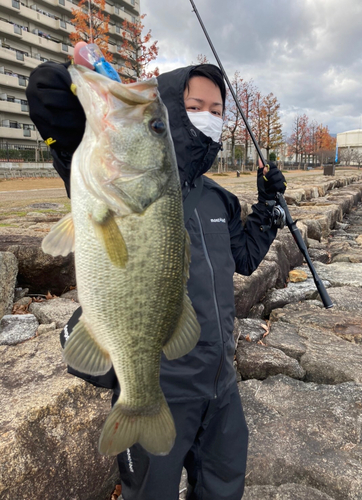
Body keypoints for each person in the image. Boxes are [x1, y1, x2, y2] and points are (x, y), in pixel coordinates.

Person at [26, 59, 286, 500]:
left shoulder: (217, 198)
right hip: (162, 386)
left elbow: (243, 258)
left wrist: (267, 209)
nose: (209, 116)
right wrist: (66, 109)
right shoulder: (115, 179)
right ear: (171, 107)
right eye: (195, 104)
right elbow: (65, 124)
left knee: (224, 488)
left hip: (221, 388)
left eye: (218, 110)